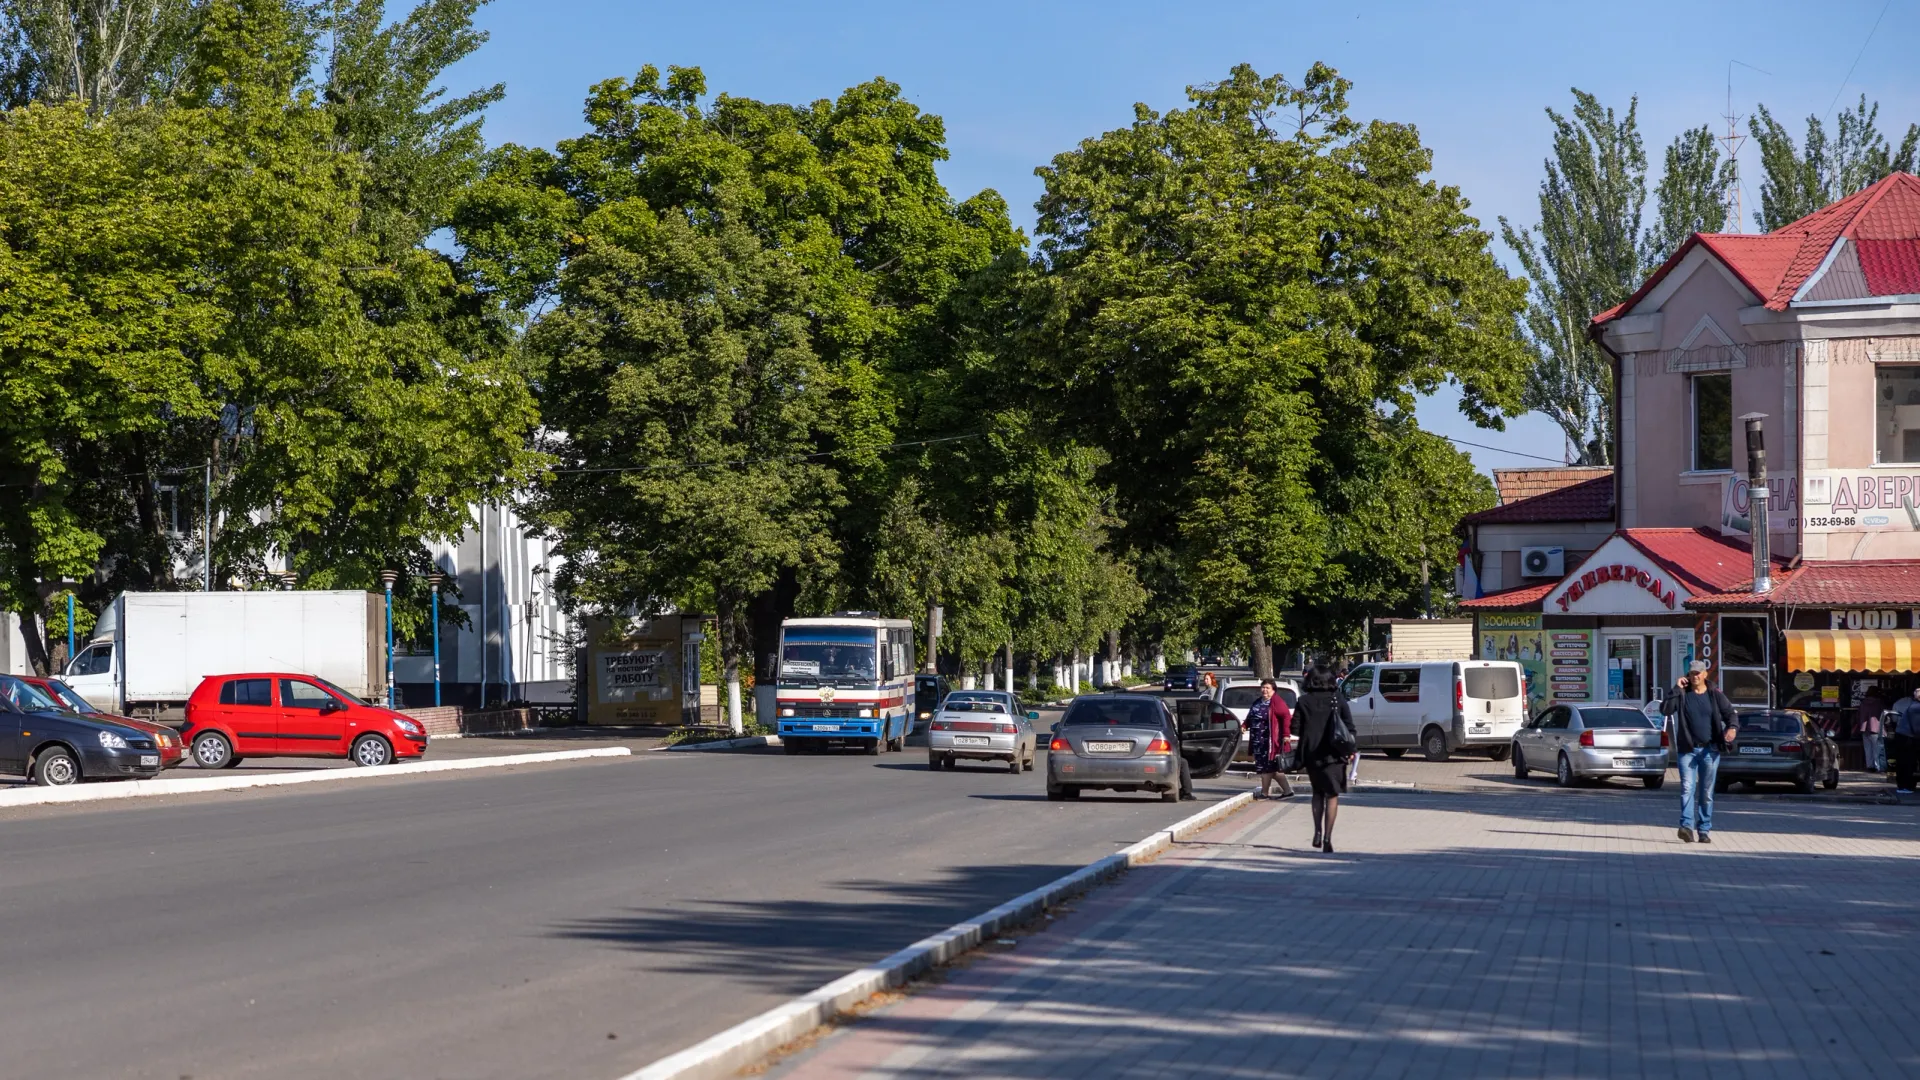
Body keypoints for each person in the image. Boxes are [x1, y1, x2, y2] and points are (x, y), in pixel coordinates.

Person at [1662, 661, 1738, 844]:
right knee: (1687, 789)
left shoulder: (1714, 694)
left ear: (1705, 674)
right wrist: (1675, 688)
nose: (1694, 676)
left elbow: (1730, 714)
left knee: (1706, 792)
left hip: (1710, 750)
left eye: (1698, 673)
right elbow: (1665, 710)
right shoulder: (1682, 694)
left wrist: (1732, 728)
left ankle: (1704, 830)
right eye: (1691, 673)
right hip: (1687, 750)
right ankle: (1686, 827)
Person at [1291, 664, 1353, 853]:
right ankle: (1327, 838)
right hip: (1334, 754)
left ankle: (1317, 831)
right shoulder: (1338, 700)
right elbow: (1349, 726)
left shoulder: (1303, 701)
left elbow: (1294, 729)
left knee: (1317, 793)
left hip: (1312, 753)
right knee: (1332, 795)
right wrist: (1351, 749)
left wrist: (1310, 731)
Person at [1244, 680, 1294, 799]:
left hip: (1270, 742)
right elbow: (1250, 717)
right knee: (1273, 769)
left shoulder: (1276, 702)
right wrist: (1244, 726)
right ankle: (1287, 791)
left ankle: (1264, 793)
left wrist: (1286, 735)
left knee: (1266, 767)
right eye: (1263, 687)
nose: (1264, 690)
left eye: (1267, 688)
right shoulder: (1257, 702)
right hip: (1258, 742)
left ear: (1273, 690)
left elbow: (1286, 717)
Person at [1891, 687, 1920, 794]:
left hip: (1905, 737)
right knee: (1907, 763)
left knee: (1906, 763)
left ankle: (1905, 786)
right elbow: (1917, 728)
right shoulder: (1916, 708)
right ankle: (1905, 787)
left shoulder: (1912, 706)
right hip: (1907, 738)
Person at [1857, 689, 1887, 775]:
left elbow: (1858, 716)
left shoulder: (1863, 703)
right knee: (1877, 749)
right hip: (1876, 729)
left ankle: (1870, 766)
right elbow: (1884, 715)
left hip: (1865, 728)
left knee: (1868, 749)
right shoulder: (1879, 703)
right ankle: (1878, 767)